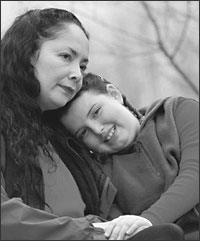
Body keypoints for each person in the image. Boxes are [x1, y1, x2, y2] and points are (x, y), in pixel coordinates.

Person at [1, 8, 185, 240]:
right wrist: (90, 231)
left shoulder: (63, 136)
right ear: (26, 52)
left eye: (83, 66)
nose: (77, 74)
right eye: (66, 56)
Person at [56, 72, 199, 240]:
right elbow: (118, 229)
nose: (97, 130)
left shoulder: (177, 111)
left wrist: (148, 221)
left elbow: (195, 174)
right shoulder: (101, 178)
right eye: (83, 132)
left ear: (114, 95)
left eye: (96, 112)